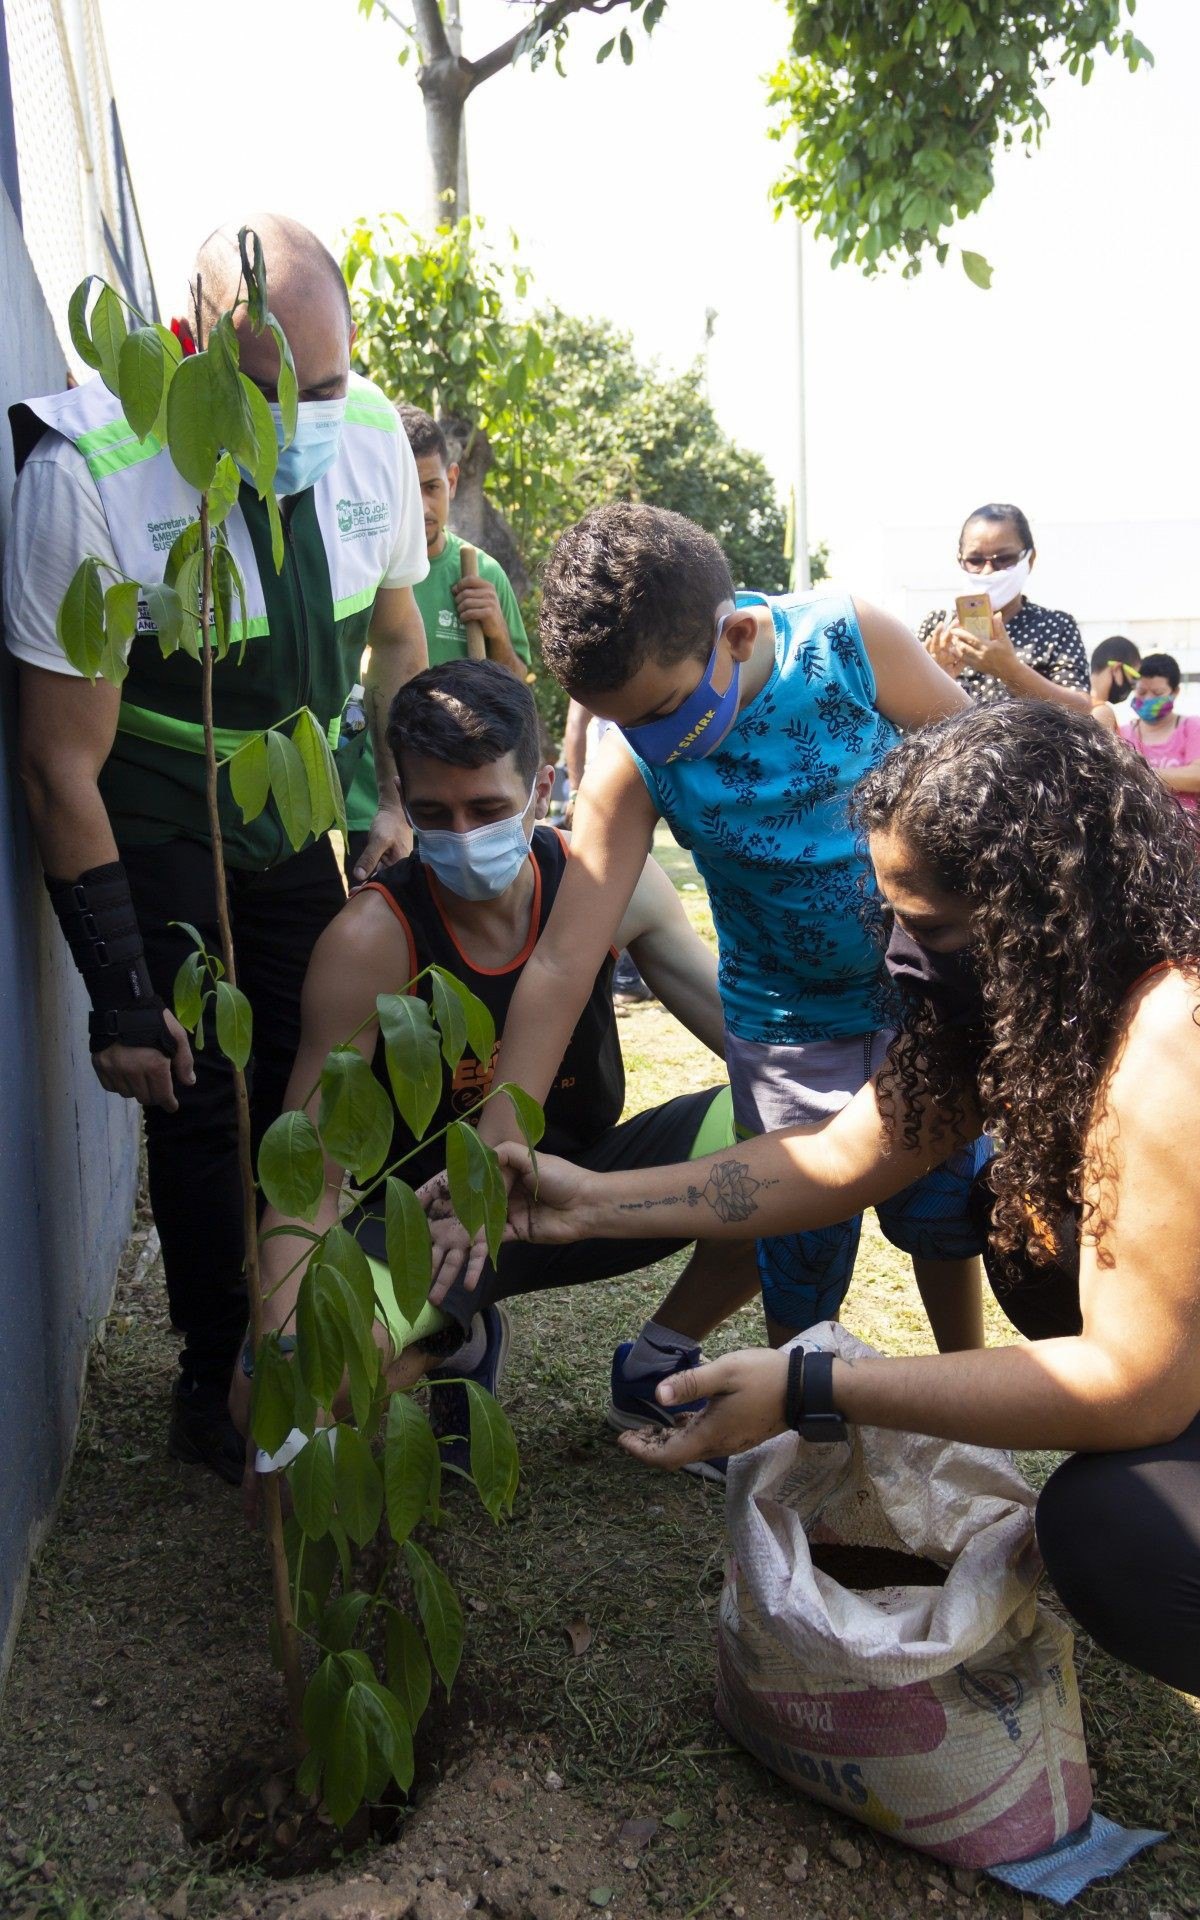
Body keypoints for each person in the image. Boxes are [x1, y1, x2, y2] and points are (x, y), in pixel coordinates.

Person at [500, 702, 1200, 1696]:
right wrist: (589, 1205)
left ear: (1042, 907)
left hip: (1167, 1384)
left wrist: (811, 1386)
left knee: (1116, 1534)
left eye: (933, 928)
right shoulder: (1026, 998)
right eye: (894, 921)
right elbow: (832, 1161)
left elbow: (1138, 1383)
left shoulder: (1173, 1027)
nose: (903, 958)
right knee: (1026, 1233)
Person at [3, 213, 429, 1483]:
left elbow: (398, 638)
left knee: (322, 1076)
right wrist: (121, 989)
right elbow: (56, 761)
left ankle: (311, 1338)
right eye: (265, 389)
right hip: (157, 811)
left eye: (328, 381)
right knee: (198, 1093)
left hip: (296, 810)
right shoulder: (89, 473)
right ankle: (215, 1364)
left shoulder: (369, 444)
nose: (302, 415)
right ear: (190, 348)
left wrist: (390, 798)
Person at [433, 503, 988, 1385]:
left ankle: (971, 1388)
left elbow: (988, 773)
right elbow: (563, 961)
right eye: (623, 723)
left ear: (733, 635)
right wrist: (493, 1155)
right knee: (796, 1248)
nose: (653, 741)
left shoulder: (850, 644)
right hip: (785, 1027)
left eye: (661, 710)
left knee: (945, 1209)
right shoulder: (634, 759)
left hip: (923, 998)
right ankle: (798, 1416)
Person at [238, 661, 759, 1479]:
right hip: (424, 1226)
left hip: (577, 1191)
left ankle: (656, 1366)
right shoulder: (369, 941)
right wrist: (280, 1338)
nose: (463, 833)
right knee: (276, 1396)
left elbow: (749, 1046)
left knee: (796, 1137)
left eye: (486, 808)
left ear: (541, 784)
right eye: (434, 813)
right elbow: (310, 1182)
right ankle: (453, 1337)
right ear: (404, 803)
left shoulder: (603, 885)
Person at [344, 408, 532, 880]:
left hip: (458, 807)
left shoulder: (481, 573)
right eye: (409, 492)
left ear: (451, 479)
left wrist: (495, 631)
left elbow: (516, 691)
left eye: (432, 488)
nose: (423, 509)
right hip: (370, 802)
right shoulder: (359, 570)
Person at [918, 503, 1090, 712]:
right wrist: (932, 678)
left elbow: (1081, 710)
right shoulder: (938, 627)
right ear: (960, 560)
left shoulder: (1056, 627)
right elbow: (898, 714)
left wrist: (1011, 670)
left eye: (1004, 559)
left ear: (1030, 558)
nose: (988, 570)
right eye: (975, 560)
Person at [1119, 652, 1200, 815]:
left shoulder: (1192, 727)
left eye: (1157, 693)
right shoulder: (1123, 733)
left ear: (1175, 692)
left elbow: (1197, 777)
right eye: (1141, 692)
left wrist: (1139, 774)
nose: (1148, 699)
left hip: (1185, 836)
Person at [1088, 635, 1140, 733]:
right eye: (1133, 677)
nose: (1133, 687)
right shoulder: (1101, 712)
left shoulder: (1069, 700)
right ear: (1116, 669)